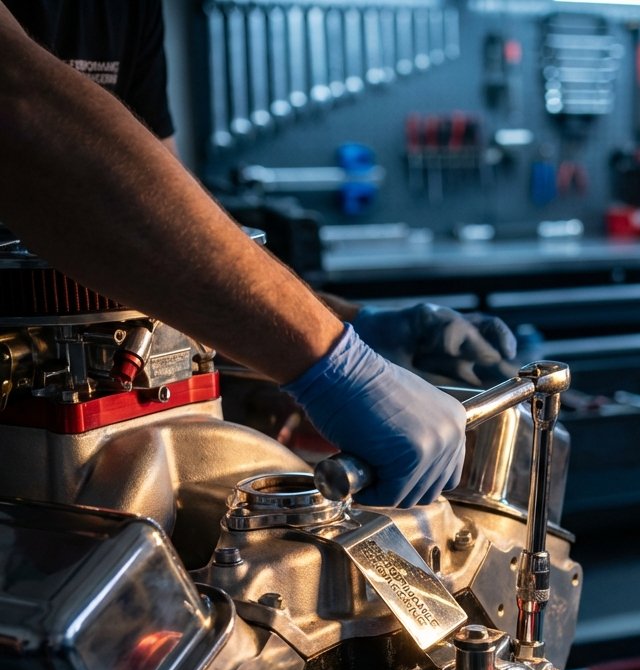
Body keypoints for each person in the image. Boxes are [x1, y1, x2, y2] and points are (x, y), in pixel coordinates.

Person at [0, 1, 517, 508]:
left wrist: (350, 326)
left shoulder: (130, 11)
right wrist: (335, 364)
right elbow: (20, 111)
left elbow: (166, 240)